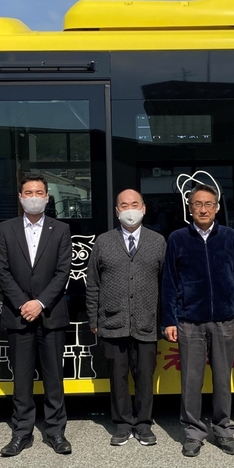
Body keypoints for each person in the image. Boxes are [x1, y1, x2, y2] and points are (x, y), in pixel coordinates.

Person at [162, 184, 234, 457]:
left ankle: (223, 430)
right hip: (190, 321)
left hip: (224, 320)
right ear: (189, 208)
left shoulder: (228, 237)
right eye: (197, 204)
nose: (203, 208)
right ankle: (193, 432)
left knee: (223, 379)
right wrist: (169, 320)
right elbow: (169, 283)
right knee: (191, 380)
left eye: (209, 204)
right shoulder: (178, 238)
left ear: (216, 207)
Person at [0, 174, 73, 456]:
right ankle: (22, 433)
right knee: (22, 379)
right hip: (18, 316)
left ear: (47, 197)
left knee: (54, 379)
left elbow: (63, 272)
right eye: (28, 192)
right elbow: (2, 271)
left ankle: (55, 432)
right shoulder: (6, 228)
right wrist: (23, 304)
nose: (34, 196)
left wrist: (39, 302)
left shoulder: (61, 229)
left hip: (50, 314)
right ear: (20, 197)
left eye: (39, 192)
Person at [86, 189, 166, 446]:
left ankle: (143, 424)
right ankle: (122, 423)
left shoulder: (157, 241)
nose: (129, 209)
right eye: (124, 205)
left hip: (147, 322)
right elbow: (93, 284)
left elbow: (167, 284)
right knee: (117, 376)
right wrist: (93, 320)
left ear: (143, 208)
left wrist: (164, 321)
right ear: (117, 211)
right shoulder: (103, 241)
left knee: (144, 375)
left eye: (134, 204)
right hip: (111, 322)